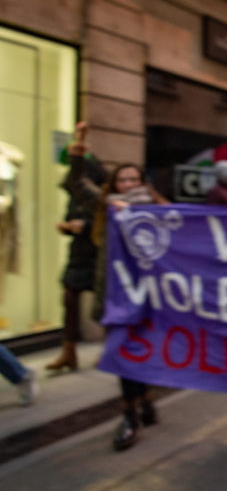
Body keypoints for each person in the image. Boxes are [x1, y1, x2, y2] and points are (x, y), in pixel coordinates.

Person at [91, 160, 168, 452]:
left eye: (134, 179)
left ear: (142, 183)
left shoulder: (156, 211)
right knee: (123, 353)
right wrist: (78, 158)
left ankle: (137, 408)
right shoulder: (106, 210)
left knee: (137, 353)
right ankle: (134, 411)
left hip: (146, 298)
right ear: (114, 184)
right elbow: (75, 186)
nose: (128, 185)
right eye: (122, 180)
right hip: (116, 298)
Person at [47, 122, 107, 372]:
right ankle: (68, 351)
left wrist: (85, 225)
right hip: (79, 255)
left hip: (99, 256)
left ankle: (110, 349)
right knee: (70, 300)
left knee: (104, 305)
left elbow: (104, 219)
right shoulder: (76, 197)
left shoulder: (100, 195)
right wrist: (66, 227)